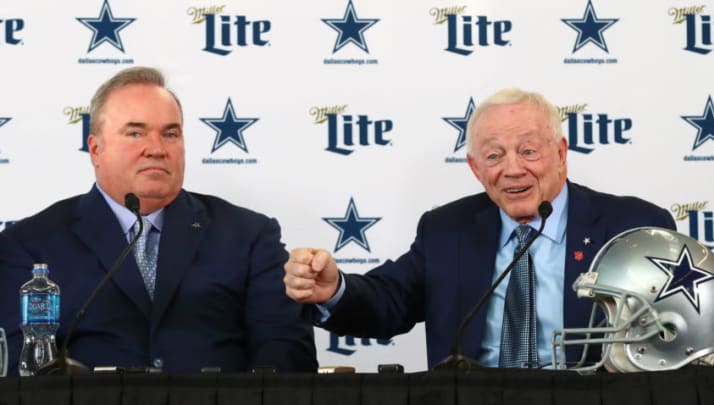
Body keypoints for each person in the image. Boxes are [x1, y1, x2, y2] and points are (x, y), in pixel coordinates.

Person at [283, 87, 676, 370]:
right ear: (475, 168)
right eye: (493, 155)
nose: (512, 169)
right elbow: (390, 301)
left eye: (528, 150)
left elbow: (679, 337)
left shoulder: (634, 227)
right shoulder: (446, 229)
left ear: (560, 154)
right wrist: (333, 290)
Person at [0, 66, 317, 374]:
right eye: (135, 132)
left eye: (170, 134)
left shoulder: (249, 236)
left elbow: (287, 356)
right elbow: (18, 370)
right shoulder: (30, 245)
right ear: (96, 149)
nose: (156, 149)